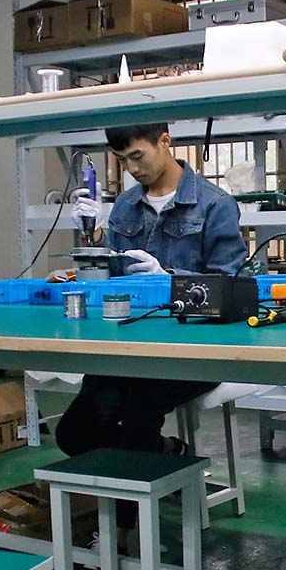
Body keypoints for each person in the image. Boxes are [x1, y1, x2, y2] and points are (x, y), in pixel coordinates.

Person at [54, 122, 249, 548]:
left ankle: (123, 534)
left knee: (135, 417)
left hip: (195, 351)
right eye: (122, 160)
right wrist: (94, 238)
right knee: (74, 431)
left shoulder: (215, 205)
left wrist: (171, 281)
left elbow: (230, 287)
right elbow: (112, 277)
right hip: (130, 347)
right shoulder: (125, 207)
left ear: (165, 142)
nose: (131, 168)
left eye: (137, 156)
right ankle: (166, 455)